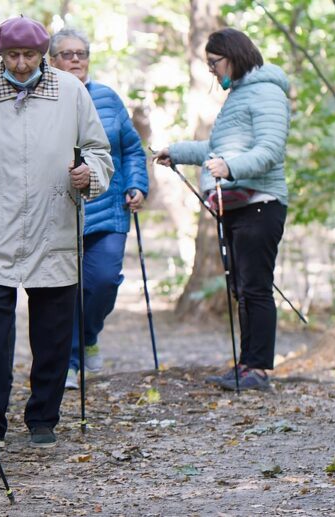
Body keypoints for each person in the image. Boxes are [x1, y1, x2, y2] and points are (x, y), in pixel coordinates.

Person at [0, 16, 113, 450]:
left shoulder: (71, 91)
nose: (21, 64)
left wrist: (89, 175)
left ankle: (44, 417)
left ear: (43, 54)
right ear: (0, 54)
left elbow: (99, 151)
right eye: (12, 56)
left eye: (29, 56)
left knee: (54, 332)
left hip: (53, 222)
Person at [154, 28, 290, 392]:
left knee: (256, 288)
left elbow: (270, 150)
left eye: (215, 63)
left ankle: (258, 370)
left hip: (261, 203)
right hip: (237, 206)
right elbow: (216, 148)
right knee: (241, 287)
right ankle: (246, 364)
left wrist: (230, 167)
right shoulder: (239, 95)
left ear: (233, 55)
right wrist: (177, 152)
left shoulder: (267, 93)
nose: (212, 71)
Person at [49, 29, 149, 388]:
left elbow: (132, 149)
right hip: (59, 212)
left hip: (108, 211)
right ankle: (71, 363)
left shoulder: (108, 98)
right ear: (51, 60)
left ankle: (87, 337)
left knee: (103, 282)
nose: (75, 59)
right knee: (63, 292)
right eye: (66, 54)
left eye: (81, 53)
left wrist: (137, 184)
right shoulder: (47, 99)